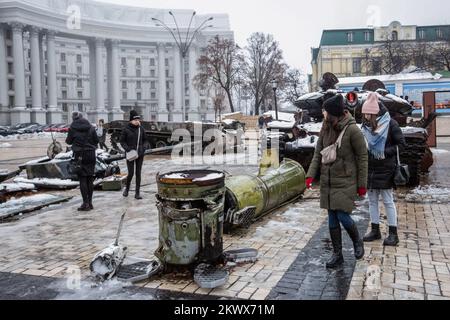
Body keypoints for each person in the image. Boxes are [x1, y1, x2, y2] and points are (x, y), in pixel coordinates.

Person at [306, 94, 368, 268]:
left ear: (333, 113)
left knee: (342, 214)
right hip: (328, 180)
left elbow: (363, 157)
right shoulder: (325, 127)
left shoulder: (352, 130)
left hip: (346, 179)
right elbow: (318, 152)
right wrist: (310, 175)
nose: (323, 113)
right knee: (332, 217)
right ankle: (337, 254)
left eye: (325, 111)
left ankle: (357, 241)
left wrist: (362, 185)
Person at [361, 92, 405, 246]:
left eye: (367, 113)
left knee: (387, 201)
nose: (365, 115)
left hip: (386, 168)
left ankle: (393, 233)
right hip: (371, 169)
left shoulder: (390, 123)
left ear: (373, 113)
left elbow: (401, 144)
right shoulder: (365, 125)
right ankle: (375, 230)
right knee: (372, 201)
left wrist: (384, 153)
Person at [66, 112, 99, 211]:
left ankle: (85, 203)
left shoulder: (72, 128)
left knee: (83, 179)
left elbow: (68, 141)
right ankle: (90, 203)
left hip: (80, 156)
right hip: (91, 154)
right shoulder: (91, 128)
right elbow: (96, 141)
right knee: (90, 178)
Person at [120, 110, 147, 200]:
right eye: (135, 120)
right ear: (131, 120)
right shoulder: (126, 129)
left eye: (138, 119)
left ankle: (137, 193)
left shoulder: (141, 129)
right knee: (131, 173)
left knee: (138, 173)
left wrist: (143, 148)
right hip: (130, 154)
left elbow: (145, 140)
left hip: (140, 153)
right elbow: (122, 141)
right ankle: (127, 189)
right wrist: (127, 149)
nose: (137, 121)